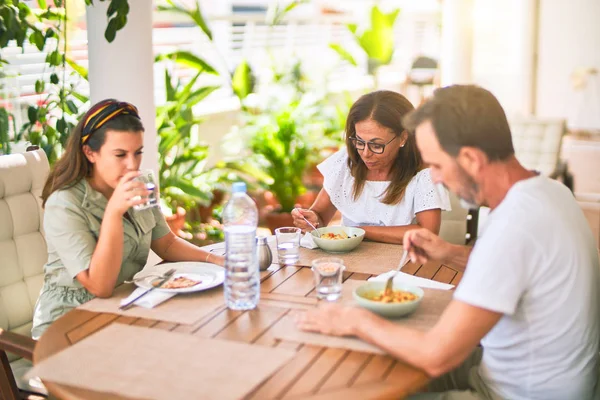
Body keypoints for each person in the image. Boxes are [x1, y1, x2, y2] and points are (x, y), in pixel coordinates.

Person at [296, 85, 600, 399]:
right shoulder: (549, 192)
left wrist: (355, 320)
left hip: (511, 394)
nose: (437, 179)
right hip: (525, 375)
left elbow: (436, 355)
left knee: (355, 383)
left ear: (470, 158)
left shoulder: (515, 226)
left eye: (438, 166)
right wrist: (448, 252)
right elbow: (517, 267)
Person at [32, 99, 224, 339]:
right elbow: (99, 286)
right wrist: (113, 212)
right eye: (120, 154)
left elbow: (166, 243)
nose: (132, 165)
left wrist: (215, 260)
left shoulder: (139, 183)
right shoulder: (64, 204)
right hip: (68, 322)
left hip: (122, 305)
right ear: (90, 152)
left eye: (138, 152)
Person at [292, 90, 450, 244]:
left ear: (403, 137)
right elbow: (319, 216)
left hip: (406, 263)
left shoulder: (424, 171)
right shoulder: (346, 162)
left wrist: (362, 231)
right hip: (351, 263)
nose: (365, 153)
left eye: (376, 144)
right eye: (359, 142)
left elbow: (427, 233)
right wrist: (310, 219)